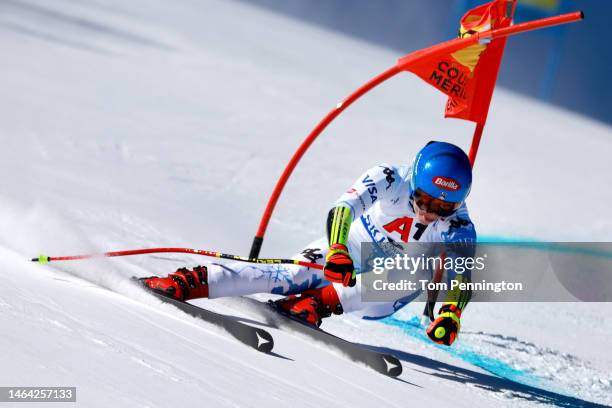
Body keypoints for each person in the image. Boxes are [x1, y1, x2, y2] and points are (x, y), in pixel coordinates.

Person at [141, 141, 476, 346]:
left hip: (386, 292)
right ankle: (192, 282)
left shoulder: (459, 225)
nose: (430, 212)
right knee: (289, 277)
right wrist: (338, 249)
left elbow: (462, 275)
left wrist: (450, 313)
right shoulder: (390, 178)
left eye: (444, 207)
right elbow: (343, 208)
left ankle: (318, 303)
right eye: (425, 199)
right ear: (414, 179)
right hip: (352, 248)